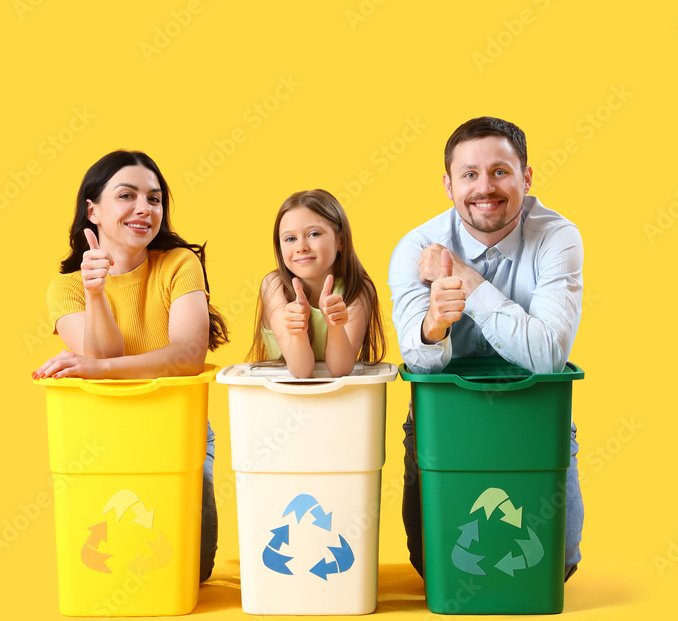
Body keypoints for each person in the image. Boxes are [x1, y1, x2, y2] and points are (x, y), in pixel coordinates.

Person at [387, 117, 584, 580]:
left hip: (535, 424)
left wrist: (470, 285)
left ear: (526, 177)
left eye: (500, 171)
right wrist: (434, 325)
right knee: (433, 564)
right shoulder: (416, 246)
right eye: (470, 175)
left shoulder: (557, 238)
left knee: (555, 566)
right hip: (442, 429)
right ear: (449, 185)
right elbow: (417, 361)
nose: (485, 187)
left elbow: (548, 357)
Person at [33, 150, 229, 582]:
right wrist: (97, 293)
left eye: (154, 199)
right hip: (100, 439)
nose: (145, 208)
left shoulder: (179, 265)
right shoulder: (65, 289)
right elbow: (100, 356)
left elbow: (186, 357)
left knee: (189, 569)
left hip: (177, 431)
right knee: (112, 569)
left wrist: (96, 369)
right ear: (93, 211)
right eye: (127, 195)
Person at [246, 189, 386, 377]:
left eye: (313, 234)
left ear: (340, 241)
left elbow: (340, 370)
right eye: (290, 239)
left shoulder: (358, 288)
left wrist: (336, 326)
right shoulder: (274, 285)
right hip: (282, 399)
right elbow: (301, 372)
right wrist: (299, 332)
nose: (301, 247)